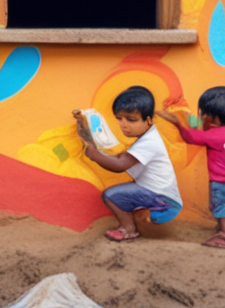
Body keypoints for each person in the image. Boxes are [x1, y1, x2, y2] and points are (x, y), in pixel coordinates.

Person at [75, 86, 181, 242]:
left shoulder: (149, 143)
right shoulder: (147, 137)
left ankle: (128, 229)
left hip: (164, 202)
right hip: (161, 196)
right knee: (126, 192)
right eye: (120, 119)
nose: (123, 125)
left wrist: (94, 154)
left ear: (148, 120)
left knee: (111, 196)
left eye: (131, 120)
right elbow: (121, 158)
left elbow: (120, 165)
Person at [157, 86, 225, 248]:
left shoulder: (212, 135)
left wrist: (177, 123)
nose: (202, 117)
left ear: (214, 118)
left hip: (221, 183)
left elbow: (189, 137)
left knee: (221, 207)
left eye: (204, 114)